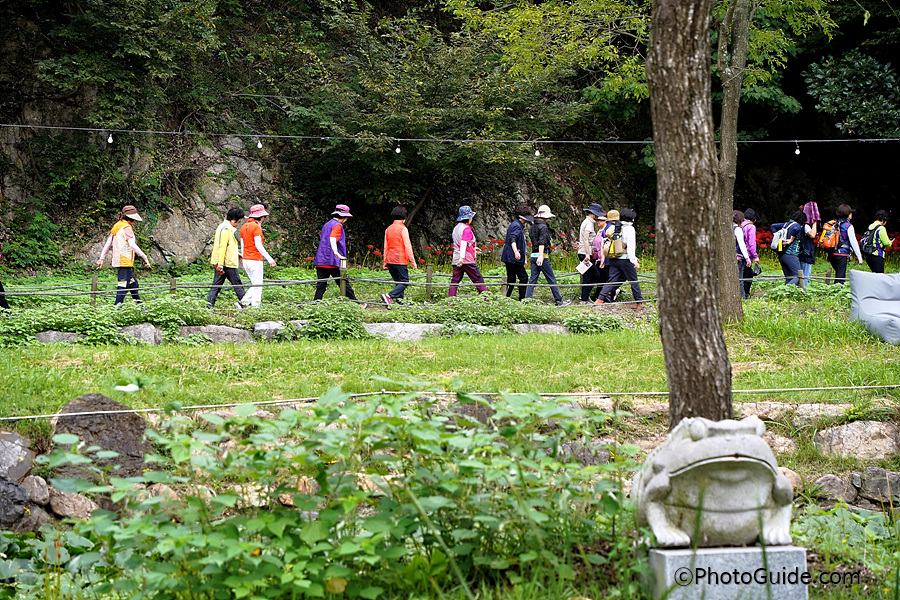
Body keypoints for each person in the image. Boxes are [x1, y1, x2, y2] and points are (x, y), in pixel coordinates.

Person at [97, 205, 151, 305]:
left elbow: (108, 243)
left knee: (133, 284)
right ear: (132, 219)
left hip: (120, 260)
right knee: (122, 286)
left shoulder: (117, 226)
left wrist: (102, 258)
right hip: (124, 261)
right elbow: (132, 245)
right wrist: (144, 257)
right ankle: (116, 310)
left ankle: (140, 307)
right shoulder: (127, 228)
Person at [595, 208, 644, 308]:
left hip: (614, 258)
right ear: (631, 218)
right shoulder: (629, 229)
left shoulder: (616, 227)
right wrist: (634, 261)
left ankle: (600, 299)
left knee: (612, 280)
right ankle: (639, 302)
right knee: (633, 281)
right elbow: (630, 246)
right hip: (625, 259)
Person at [313, 204, 359, 302]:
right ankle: (356, 303)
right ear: (345, 218)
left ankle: (315, 304)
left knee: (321, 285)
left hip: (321, 260)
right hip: (332, 261)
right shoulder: (338, 225)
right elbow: (332, 238)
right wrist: (336, 252)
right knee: (343, 283)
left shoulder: (327, 224)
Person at [525, 204, 568, 306]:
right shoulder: (543, 227)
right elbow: (542, 242)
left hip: (533, 255)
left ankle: (527, 300)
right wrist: (541, 255)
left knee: (532, 280)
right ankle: (559, 300)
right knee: (551, 278)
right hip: (542, 256)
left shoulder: (533, 226)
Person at [207, 207, 248, 309]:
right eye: (238, 222)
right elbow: (223, 247)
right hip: (226, 263)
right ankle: (246, 307)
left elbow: (227, 246)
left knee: (215, 287)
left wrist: (236, 253)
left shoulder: (222, 227)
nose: (238, 224)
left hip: (221, 262)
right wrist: (221, 264)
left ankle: (209, 307)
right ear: (233, 219)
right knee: (238, 286)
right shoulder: (226, 230)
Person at [239, 204, 276, 308]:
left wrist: (243, 260)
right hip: (255, 260)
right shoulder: (256, 227)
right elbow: (258, 245)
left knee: (255, 285)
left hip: (246, 260)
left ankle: (244, 304)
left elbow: (242, 245)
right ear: (261, 216)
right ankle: (253, 307)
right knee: (258, 286)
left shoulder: (244, 226)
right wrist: (270, 259)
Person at [448, 206, 488, 297]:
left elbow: (460, 243)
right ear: (469, 218)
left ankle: (450, 301)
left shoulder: (456, 228)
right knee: (478, 279)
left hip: (456, 258)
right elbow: (463, 243)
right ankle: (487, 300)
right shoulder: (466, 229)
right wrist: (462, 258)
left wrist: (473, 249)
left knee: (455, 281)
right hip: (466, 260)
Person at [381, 206, 417, 305]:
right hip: (400, 259)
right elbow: (408, 246)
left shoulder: (388, 229)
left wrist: (385, 262)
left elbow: (385, 246)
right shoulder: (403, 229)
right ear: (404, 217)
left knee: (398, 282)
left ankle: (400, 303)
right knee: (404, 281)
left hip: (390, 259)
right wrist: (413, 262)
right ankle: (389, 296)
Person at [501, 206, 533, 301]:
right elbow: (513, 239)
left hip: (510, 257)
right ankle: (522, 299)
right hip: (513, 257)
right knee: (523, 277)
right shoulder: (516, 226)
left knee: (511, 279)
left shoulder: (515, 224)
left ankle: (506, 297)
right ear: (521, 217)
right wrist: (516, 252)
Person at [825, 204, 863, 284]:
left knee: (838, 275)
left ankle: (832, 292)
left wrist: (828, 254)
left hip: (831, 253)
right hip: (841, 254)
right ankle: (836, 294)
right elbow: (853, 242)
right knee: (840, 278)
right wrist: (859, 256)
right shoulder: (848, 226)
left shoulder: (833, 224)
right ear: (848, 214)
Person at [578, 203, 605, 304]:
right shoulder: (589, 223)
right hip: (585, 253)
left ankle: (584, 295)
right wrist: (587, 254)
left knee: (593, 275)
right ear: (593, 214)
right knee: (589, 276)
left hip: (585, 252)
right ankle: (584, 299)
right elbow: (585, 239)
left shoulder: (587, 222)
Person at [770, 211, 805, 286]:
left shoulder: (786, 225)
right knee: (798, 276)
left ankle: (785, 295)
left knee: (789, 278)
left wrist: (776, 236)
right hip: (791, 254)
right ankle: (783, 290)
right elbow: (796, 229)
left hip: (781, 254)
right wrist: (791, 239)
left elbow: (773, 226)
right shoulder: (797, 226)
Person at [862, 209, 892, 274]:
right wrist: (891, 242)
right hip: (877, 255)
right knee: (879, 277)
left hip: (869, 254)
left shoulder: (871, 226)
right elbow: (886, 243)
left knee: (874, 275)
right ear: (884, 219)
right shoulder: (881, 228)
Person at [739, 208, 760, 298]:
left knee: (741, 274)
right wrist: (755, 256)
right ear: (754, 219)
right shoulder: (751, 226)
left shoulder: (740, 225)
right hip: (746, 254)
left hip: (738, 253)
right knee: (748, 276)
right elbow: (752, 243)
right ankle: (745, 295)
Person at [733, 210, 751, 297]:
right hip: (736, 258)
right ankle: (742, 299)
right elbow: (741, 244)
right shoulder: (738, 229)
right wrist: (747, 258)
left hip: (723, 258)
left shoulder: (724, 229)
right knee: (739, 280)